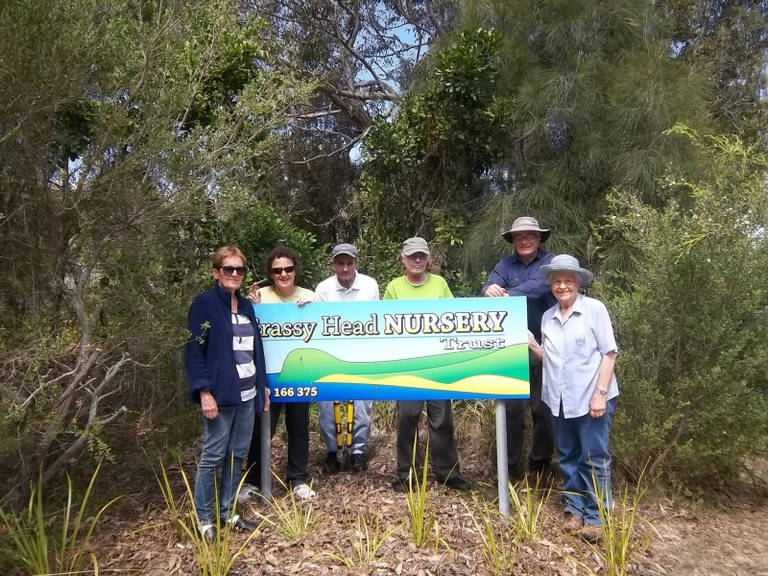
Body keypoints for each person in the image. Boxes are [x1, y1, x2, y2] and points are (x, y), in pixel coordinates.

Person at [528, 254, 619, 543]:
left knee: (594, 457)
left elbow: (609, 352)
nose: (562, 286)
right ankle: (574, 509)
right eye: (557, 282)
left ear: (577, 282)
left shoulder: (594, 309)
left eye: (568, 280)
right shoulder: (548, 317)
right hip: (560, 399)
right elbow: (553, 360)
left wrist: (600, 395)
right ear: (551, 285)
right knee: (567, 456)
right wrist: (533, 346)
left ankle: (596, 517)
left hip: (591, 398)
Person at [185, 246, 267, 541]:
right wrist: (203, 392)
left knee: (237, 455)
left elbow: (256, 350)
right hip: (220, 397)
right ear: (216, 272)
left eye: (239, 270)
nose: (234, 274)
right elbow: (195, 351)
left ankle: (226, 511)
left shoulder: (246, 306)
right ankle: (204, 519)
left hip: (247, 394)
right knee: (213, 456)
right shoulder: (204, 304)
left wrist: (263, 388)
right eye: (228, 269)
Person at [383, 237, 471, 492]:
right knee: (407, 417)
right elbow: (385, 325)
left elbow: (456, 319)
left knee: (441, 419)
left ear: (428, 259)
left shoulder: (440, 284)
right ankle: (405, 474)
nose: (417, 260)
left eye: (421, 256)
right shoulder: (394, 287)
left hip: (437, 364)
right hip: (408, 365)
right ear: (404, 259)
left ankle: (448, 473)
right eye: (412, 256)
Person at [482, 216, 556, 479]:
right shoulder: (505, 264)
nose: (524, 241)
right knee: (512, 409)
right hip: (511, 346)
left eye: (530, 236)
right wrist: (490, 289)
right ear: (513, 241)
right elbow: (488, 289)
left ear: (538, 239)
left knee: (543, 408)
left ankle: (540, 463)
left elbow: (539, 287)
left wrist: (508, 293)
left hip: (545, 344)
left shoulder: (550, 262)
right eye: (519, 237)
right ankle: (509, 467)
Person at [243, 246, 317, 501]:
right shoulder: (258, 296)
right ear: (270, 274)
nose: (283, 274)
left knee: (298, 426)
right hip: (266, 377)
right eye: (277, 270)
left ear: (295, 271)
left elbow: (325, 328)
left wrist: (313, 309)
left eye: (288, 269)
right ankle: (253, 481)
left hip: (299, 372)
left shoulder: (310, 295)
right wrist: (249, 307)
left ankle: (298, 479)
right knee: (262, 428)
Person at [314, 243, 380, 473]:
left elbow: (373, 322)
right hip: (330, 356)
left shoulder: (369, 285)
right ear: (333, 265)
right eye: (340, 263)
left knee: (361, 404)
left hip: (361, 355)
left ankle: (358, 451)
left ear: (355, 263)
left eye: (349, 263)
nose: (345, 268)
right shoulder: (322, 289)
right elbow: (319, 325)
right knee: (326, 405)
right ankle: (333, 450)